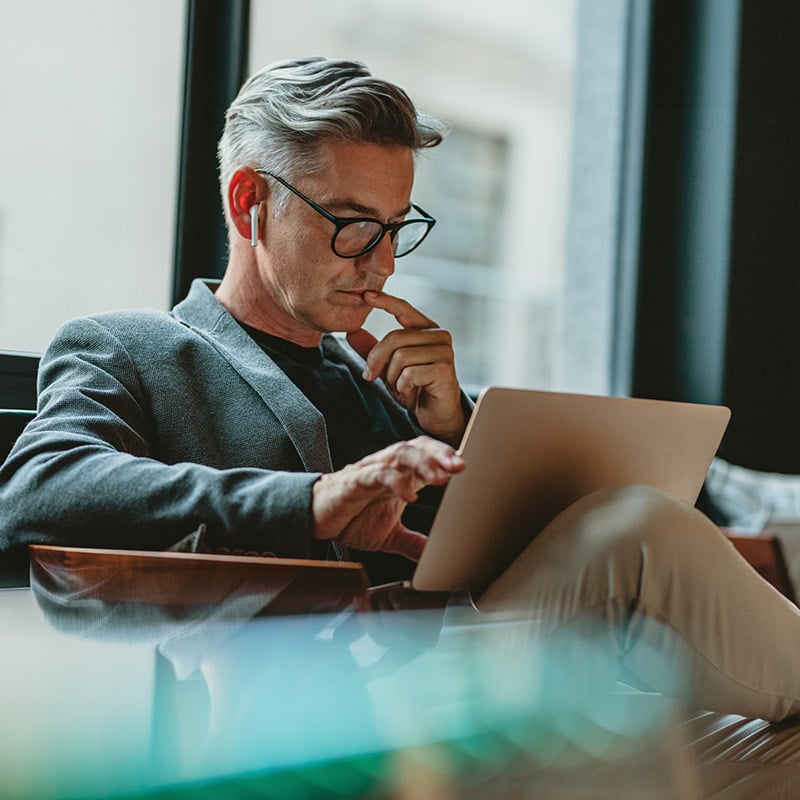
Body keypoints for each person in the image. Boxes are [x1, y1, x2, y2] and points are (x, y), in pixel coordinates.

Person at [2, 57, 800, 738]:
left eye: (397, 226)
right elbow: (38, 488)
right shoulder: (132, 349)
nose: (382, 264)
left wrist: (456, 425)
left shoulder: (383, 379)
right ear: (250, 203)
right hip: (327, 697)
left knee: (641, 535)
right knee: (637, 531)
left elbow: (500, 550)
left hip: (465, 655)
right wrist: (313, 501)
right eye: (351, 225)